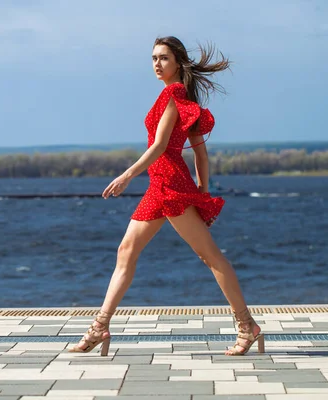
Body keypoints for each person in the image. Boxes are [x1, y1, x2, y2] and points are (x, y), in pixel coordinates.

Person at [68, 36, 264, 356]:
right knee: (126, 252)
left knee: (210, 256)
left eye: (163, 58)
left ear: (177, 62)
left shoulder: (175, 93)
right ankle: (100, 327)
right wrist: (202, 190)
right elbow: (200, 154)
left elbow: (160, 146)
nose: (157, 64)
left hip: (170, 186)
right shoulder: (178, 96)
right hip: (158, 186)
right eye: (154, 58)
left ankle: (247, 326)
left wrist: (127, 175)